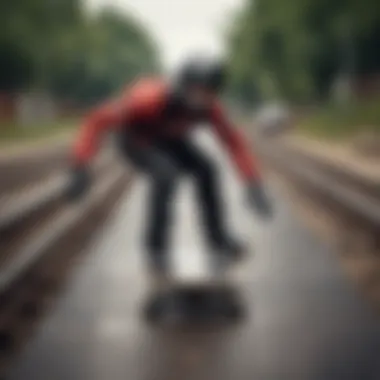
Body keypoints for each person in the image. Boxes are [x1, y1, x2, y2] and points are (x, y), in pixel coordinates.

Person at [66, 57, 273, 278]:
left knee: (208, 170)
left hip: (172, 140)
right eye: (198, 92)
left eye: (210, 93)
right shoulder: (147, 99)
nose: (203, 99)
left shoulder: (210, 108)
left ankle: (218, 240)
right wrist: (81, 165)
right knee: (165, 174)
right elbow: (96, 121)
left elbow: (233, 142)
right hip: (137, 140)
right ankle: (156, 248)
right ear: (183, 86)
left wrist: (253, 182)